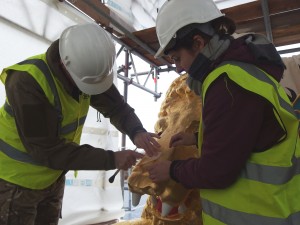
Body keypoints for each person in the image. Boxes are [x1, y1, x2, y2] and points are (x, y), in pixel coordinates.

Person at [148, 0, 300, 224]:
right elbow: (249, 135)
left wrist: (171, 169)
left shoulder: (228, 83)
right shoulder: (243, 74)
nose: (178, 68)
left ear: (198, 43)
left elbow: (216, 171)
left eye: (177, 58)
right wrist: (197, 137)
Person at [0, 23, 160, 225]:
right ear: (64, 65)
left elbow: (116, 107)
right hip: (14, 181)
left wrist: (137, 132)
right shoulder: (26, 82)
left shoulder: (88, 69)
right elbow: (47, 150)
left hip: (52, 178)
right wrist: (112, 159)